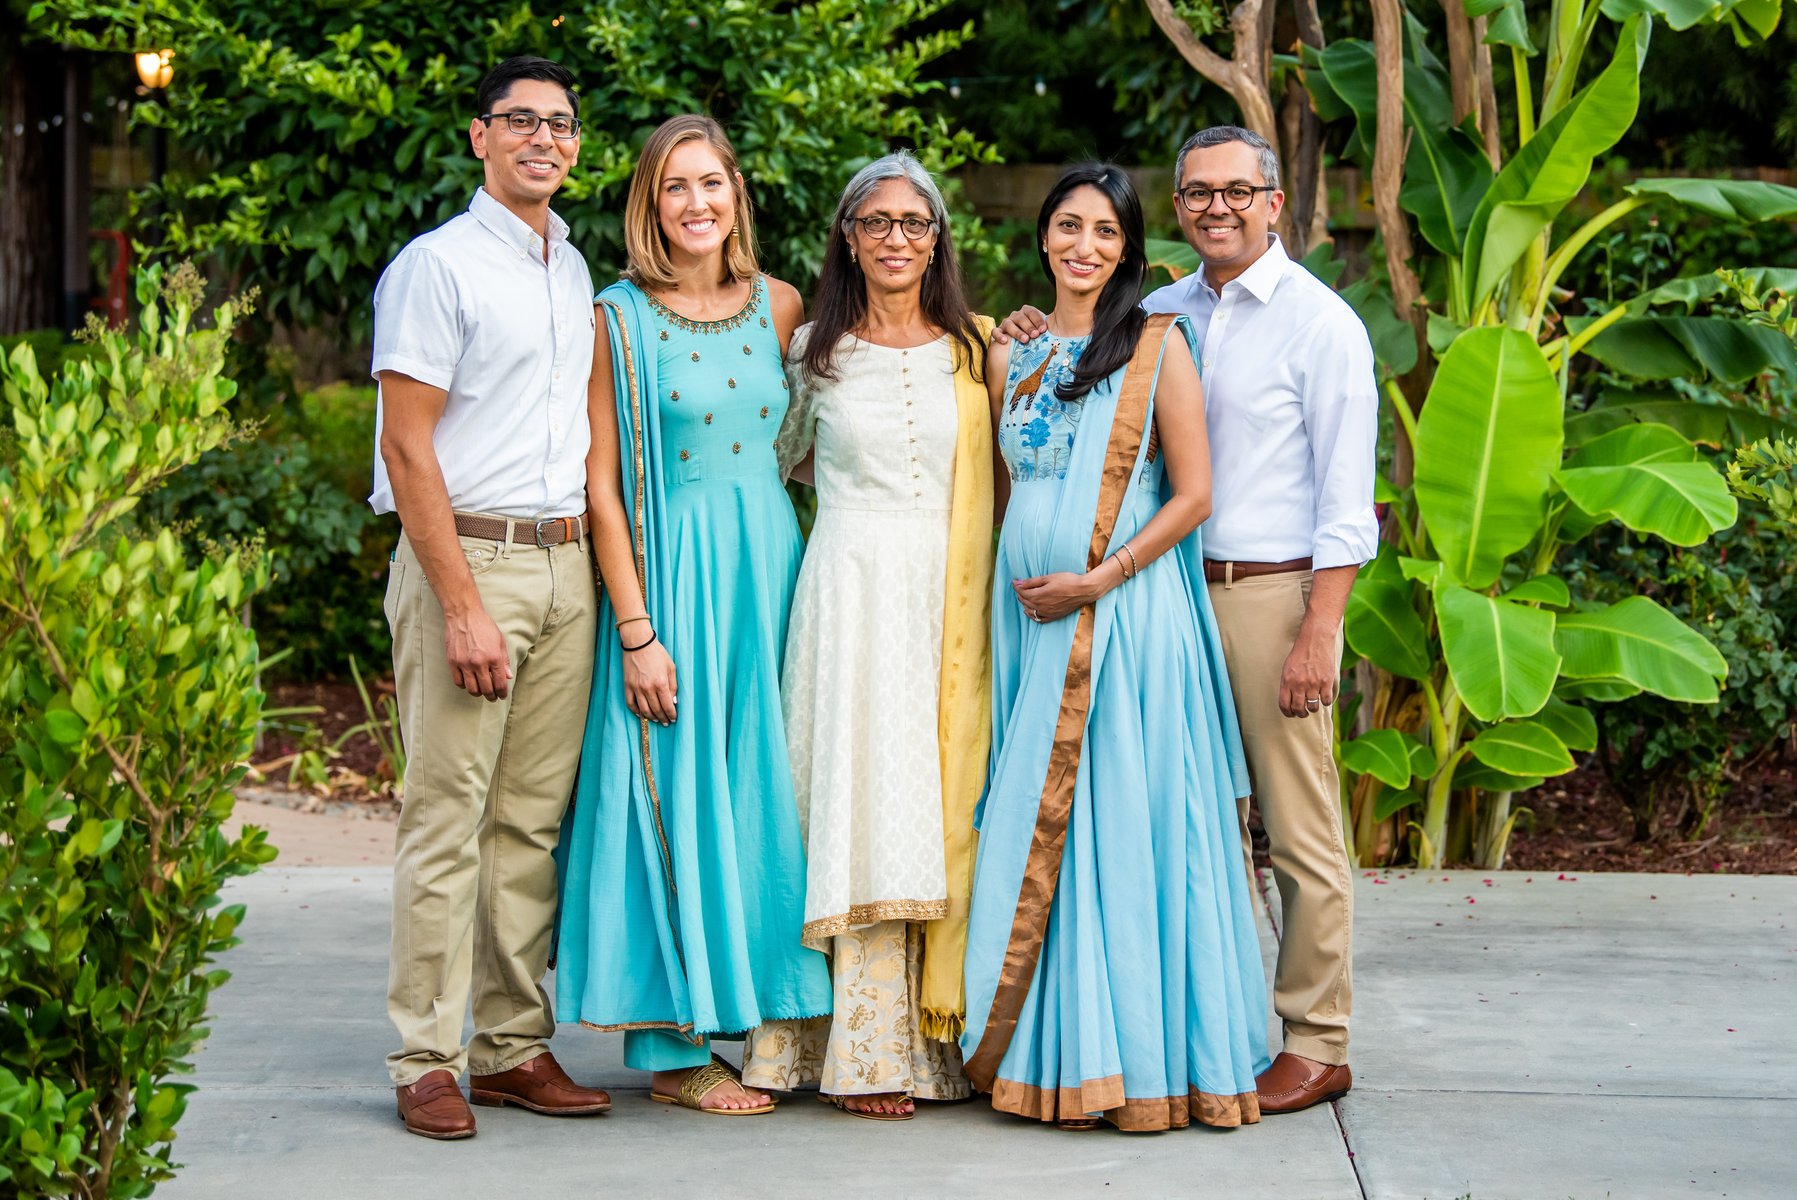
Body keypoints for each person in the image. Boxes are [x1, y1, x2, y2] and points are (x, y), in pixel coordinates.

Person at [998, 126, 1377, 1113]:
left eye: (1237, 191)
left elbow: (1346, 503)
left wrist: (1318, 630)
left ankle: (1318, 1039)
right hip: (1161, 601)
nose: (1218, 207)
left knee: (1296, 825)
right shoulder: (1162, 312)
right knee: (1187, 816)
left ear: (1273, 202)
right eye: (1199, 193)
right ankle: (1185, 1021)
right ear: (1177, 208)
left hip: (1265, 593)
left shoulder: (1321, 324)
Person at [961, 163, 1269, 1133]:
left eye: (1104, 231)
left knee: (1121, 830)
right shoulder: (1011, 354)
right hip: (1029, 629)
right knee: (1045, 827)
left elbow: (1195, 495)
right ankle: (1059, 1053)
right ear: (1042, 237)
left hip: (1125, 625)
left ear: (1128, 248)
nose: (1083, 246)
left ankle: (1137, 1065)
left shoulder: (1156, 344)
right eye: (1067, 226)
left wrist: (1101, 578)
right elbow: (1005, 490)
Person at [553, 113, 831, 1116]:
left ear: (736, 195)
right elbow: (601, 486)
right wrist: (637, 631)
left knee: (764, 793)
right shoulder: (616, 318)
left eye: (711, 182)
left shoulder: (782, 303)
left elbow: (821, 438)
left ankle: (770, 1016)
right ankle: (674, 1052)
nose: (696, 202)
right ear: (650, 203)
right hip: (674, 582)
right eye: (676, 186)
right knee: (674, 789)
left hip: (773, 572)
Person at [370, 55, 613, 1140]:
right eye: (520, 121)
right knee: (447, 817)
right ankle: (425, 1057)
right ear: (480, 136)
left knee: (527, 824)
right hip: (469, 561)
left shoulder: (570, 265)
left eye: (559, 124)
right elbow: (406, 446)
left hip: (565, 567)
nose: (542, 139)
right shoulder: (436, 267)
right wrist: (461, 602)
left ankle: (510, 1046)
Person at [738, 153, 994, 1120]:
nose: (895, 239)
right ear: (847, 236)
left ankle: (926, 1042)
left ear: (937, 240)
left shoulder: (976, 349)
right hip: (844, 593)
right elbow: (772, 462)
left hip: (948, 597)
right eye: (875, 221)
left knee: (935, 797)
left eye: (914, 222)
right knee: (846, 797)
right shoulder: (810, 349)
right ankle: (841, 1048)